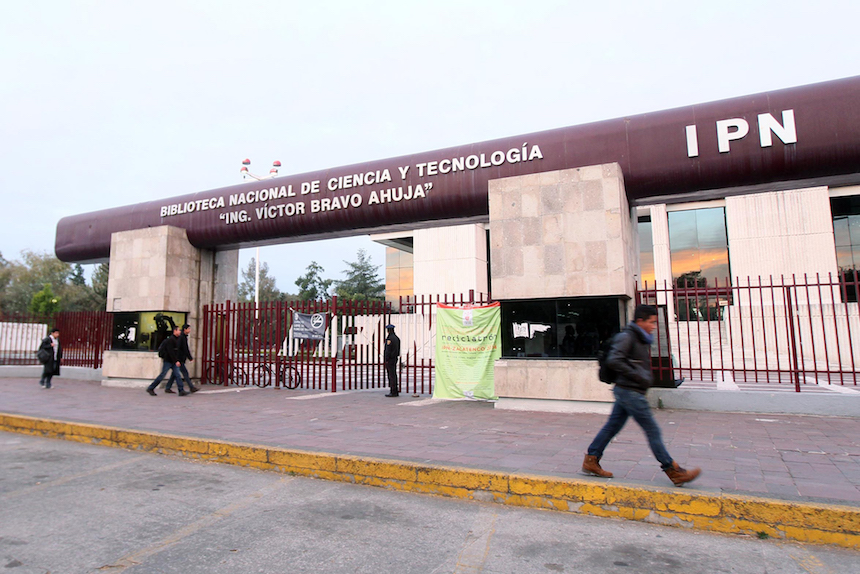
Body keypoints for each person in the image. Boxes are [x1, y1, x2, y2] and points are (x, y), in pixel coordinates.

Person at [582, 305, 701, 487]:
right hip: (630, 391)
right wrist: (637, 375)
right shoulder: (628, 337)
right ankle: (673, 470)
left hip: (628, 390)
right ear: (640, 321)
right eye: (651, 322)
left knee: (612, 427)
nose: (654, 326)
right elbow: (614, 359)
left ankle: (591, 460)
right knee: (652, 430)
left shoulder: (638, 338)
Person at [146, 326, 188, 397]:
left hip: (173, 361)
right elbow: (171, 351)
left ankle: (181, 390)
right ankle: (151, 387)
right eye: (178, 330)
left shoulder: (176, 339)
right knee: (163, 375)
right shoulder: (170, 340)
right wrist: (176, 361)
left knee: (177, 375)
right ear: (174, 331)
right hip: (168, 360)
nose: (180, 332)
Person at [165, 324, 198, 393]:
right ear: (185, 329)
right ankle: (190, 387)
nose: (189, 330)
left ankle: (168, 387)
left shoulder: (182, 337)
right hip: (179, 358)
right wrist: (190, 358)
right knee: (184, 373)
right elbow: (184, 348)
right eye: (188, 329)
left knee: (174, 374)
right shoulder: (182, 337)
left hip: (179, 358)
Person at [383, 324, 400, 397]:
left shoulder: (390, 339)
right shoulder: (396, 338)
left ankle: (393, 391)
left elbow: (388, 350)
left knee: (391, 375)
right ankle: (395, 390)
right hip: (395, 358)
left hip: (390, 359)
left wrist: (386, 359)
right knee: (394, 375)